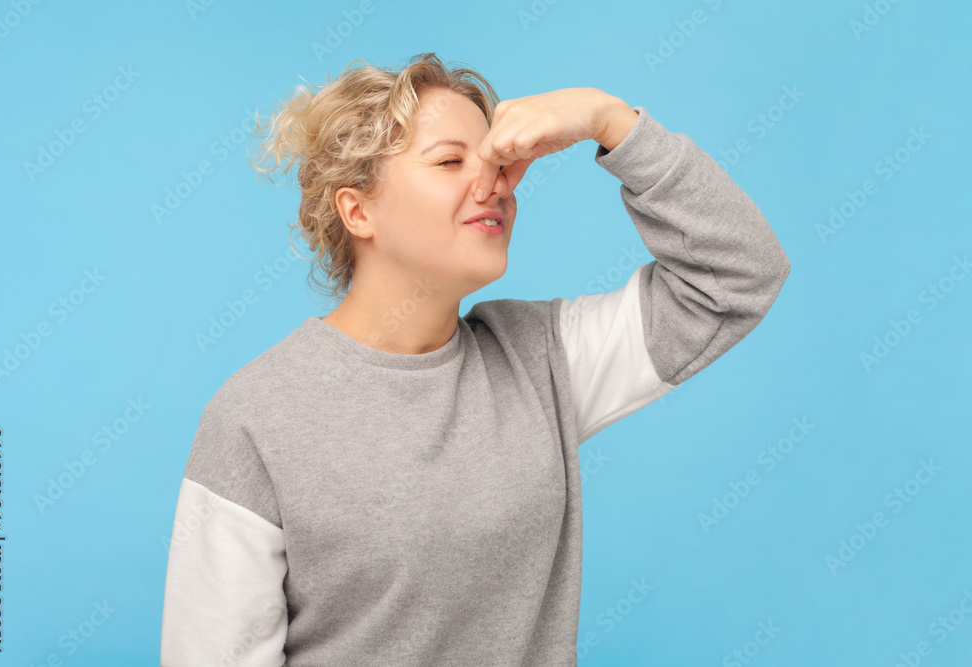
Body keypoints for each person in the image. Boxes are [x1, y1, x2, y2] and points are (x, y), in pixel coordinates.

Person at [160, 52, 790, 665]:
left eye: (494, 159)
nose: (491, 183)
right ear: (358, 210)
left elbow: (737, 275)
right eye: (451, 160)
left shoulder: (539, 360)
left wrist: (610, 121)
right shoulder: (256, 418)